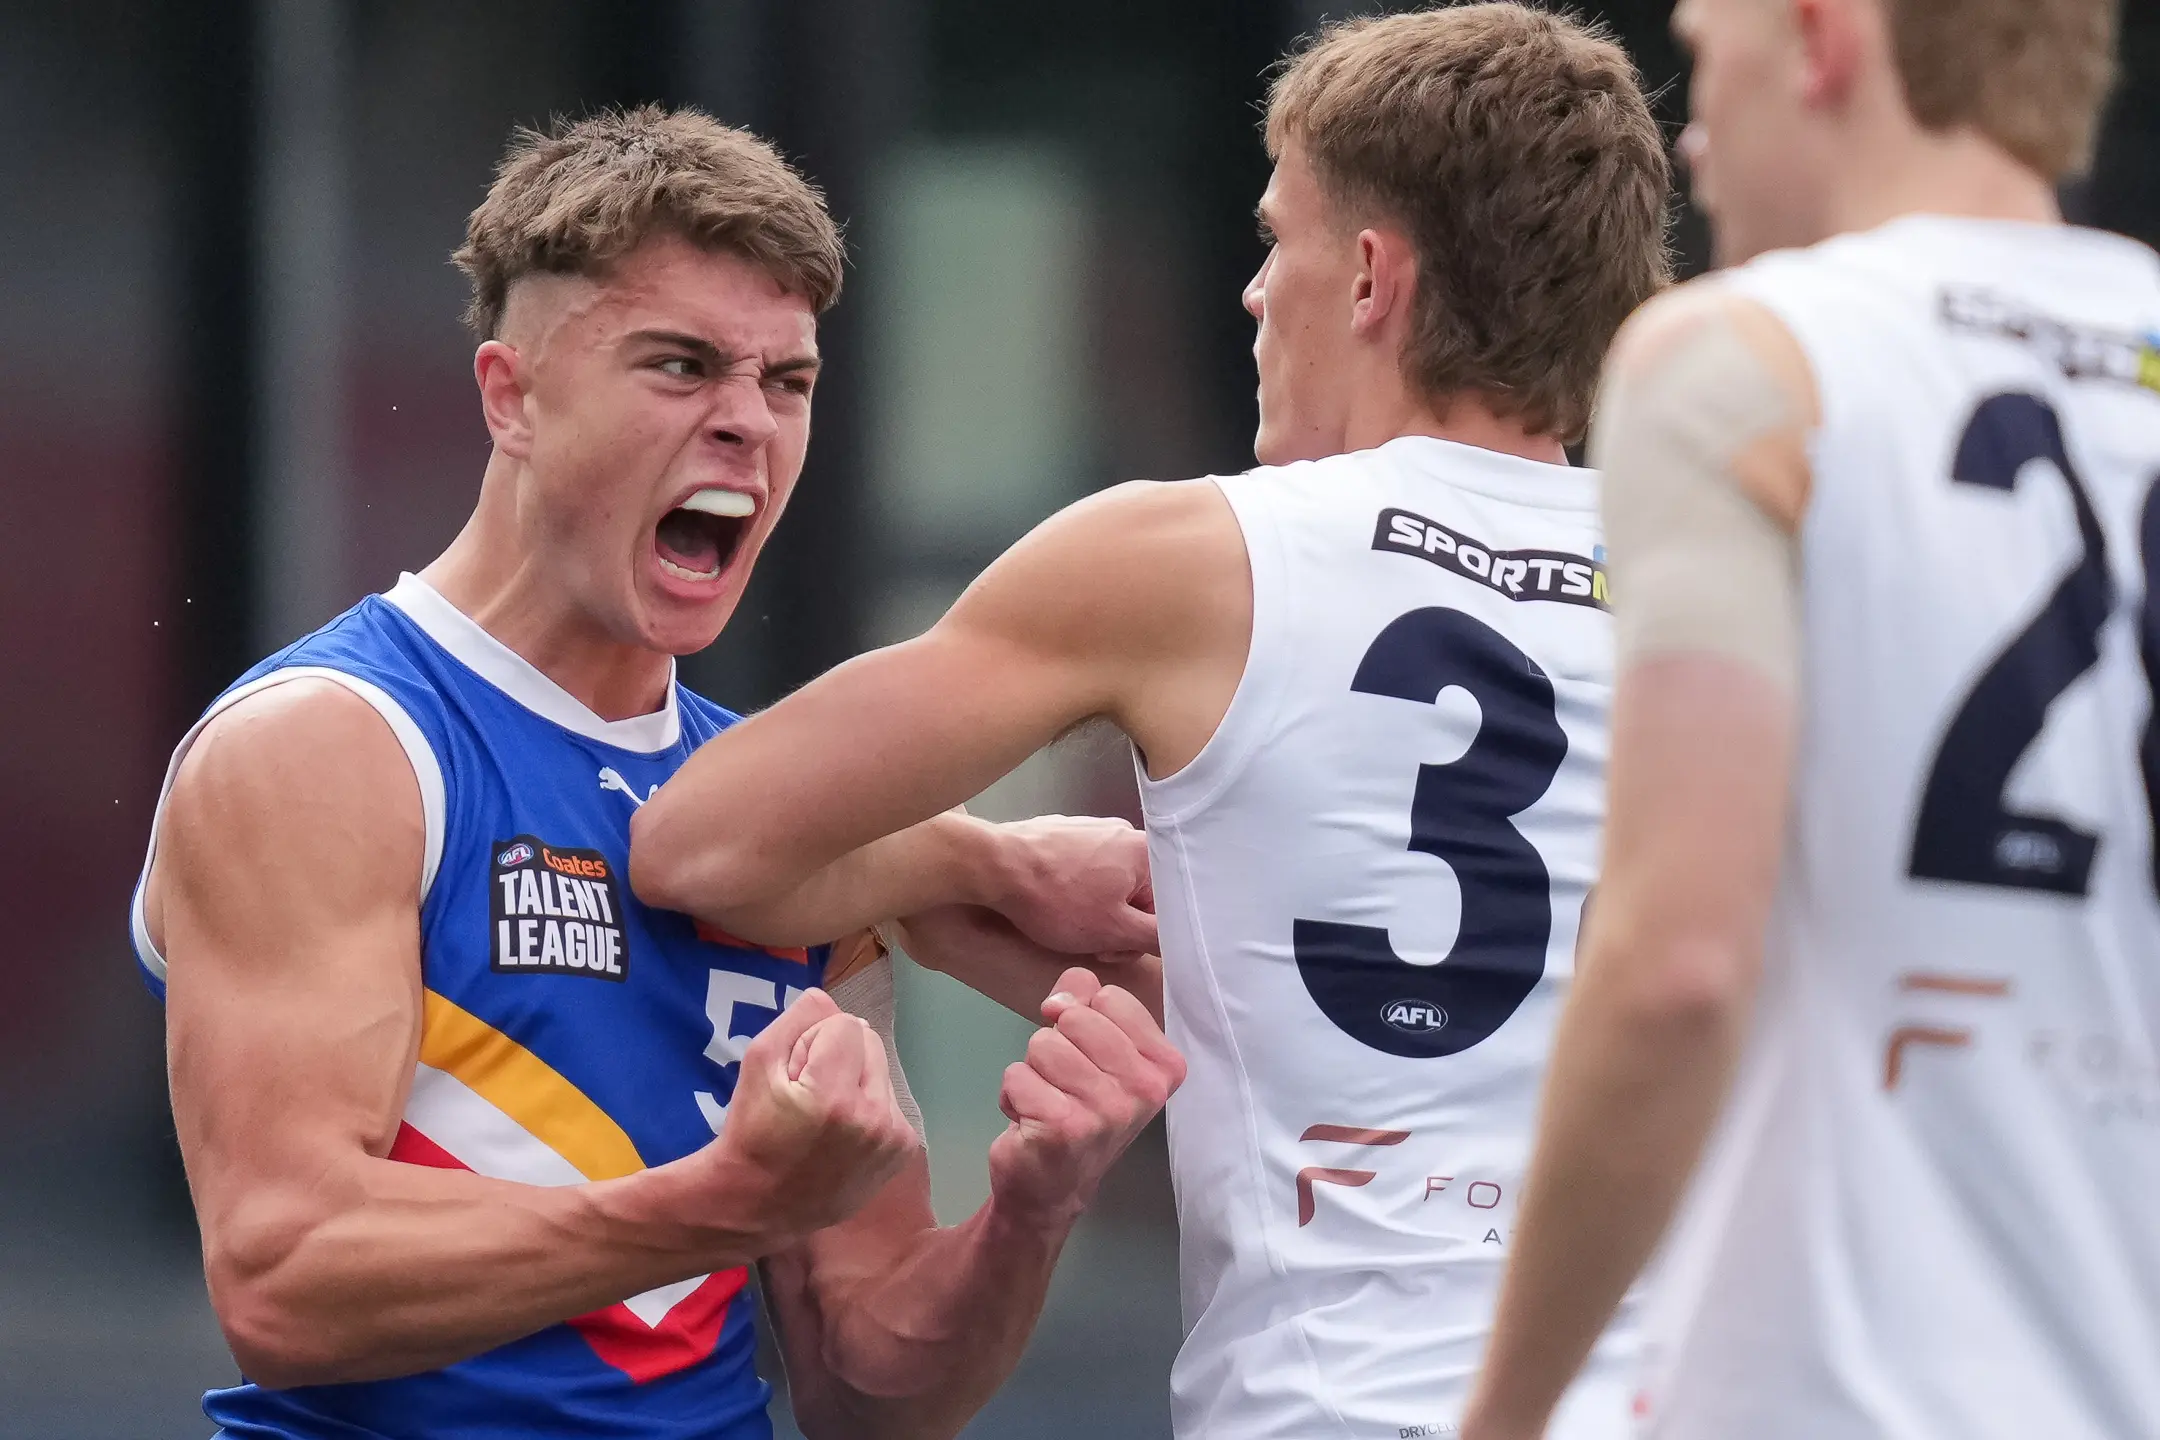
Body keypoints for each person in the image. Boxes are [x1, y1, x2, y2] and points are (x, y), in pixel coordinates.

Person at [629, 9, 1670, 1436]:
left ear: (1370, 277)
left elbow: (698, 844)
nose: (1253, 295)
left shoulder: (1189, 560)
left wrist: (982, 869)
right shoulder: (1726, 584)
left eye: (1275, 239)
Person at [130, 106, 1184, 1440]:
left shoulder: (791, 828)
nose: (746, 424)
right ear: (511, 396)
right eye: (681, 367)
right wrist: (722, 1201)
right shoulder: (333, 743)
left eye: (786, 382)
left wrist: (1033, 1206)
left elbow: (869, 1384)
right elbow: (284, 1276)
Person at [1461, 1, 2159, 1437]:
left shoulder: (1744, 359)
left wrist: (1504, 1418)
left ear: (1824, 40)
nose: (1696, 146)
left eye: (1708, 60)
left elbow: (1676, 969)